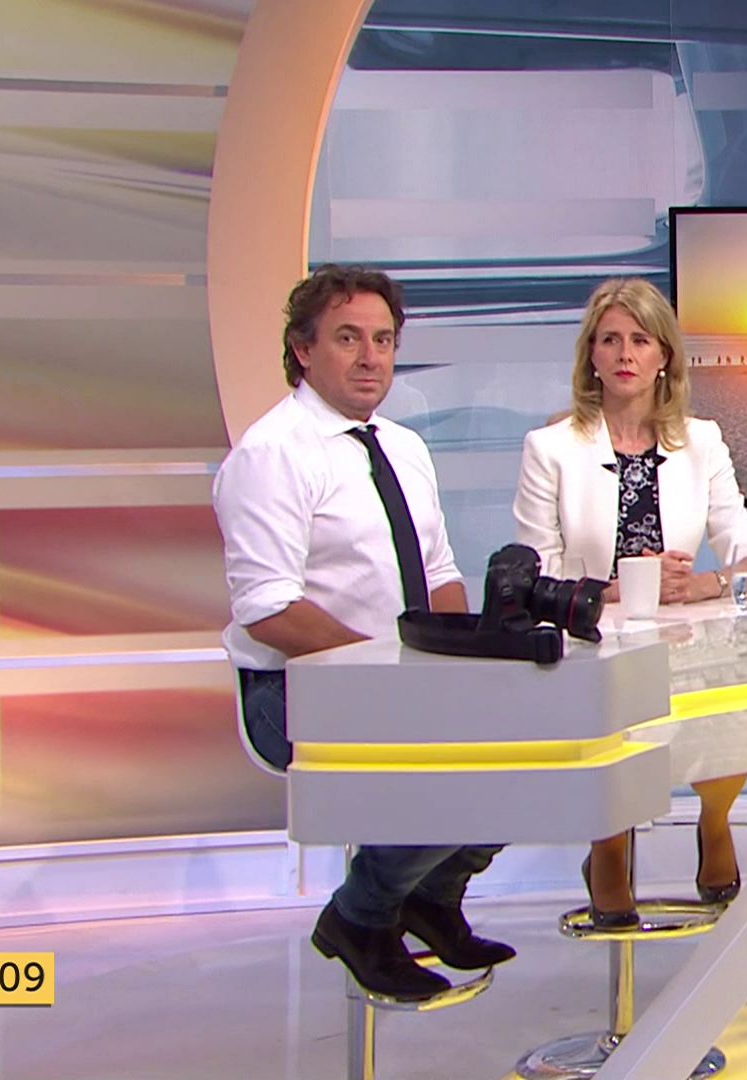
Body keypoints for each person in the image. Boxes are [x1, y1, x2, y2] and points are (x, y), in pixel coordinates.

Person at [214, 265, 515, 1002]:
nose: (370, 357)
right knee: (451, 770)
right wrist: (391, 678)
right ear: (303, 349)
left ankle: (432, 899)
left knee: (531, 754)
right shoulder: (272, 453)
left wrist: (463, 669)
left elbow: (439, 573)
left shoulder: (402, 447)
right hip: (296, 692)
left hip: (400, 678)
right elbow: (269, 608)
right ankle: (361, 916)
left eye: (383, 340)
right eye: (348, 338)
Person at [512, 277, 747, 926]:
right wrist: (616, 591)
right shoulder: (551, 448)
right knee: (611, 716)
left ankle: (715, 820)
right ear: (591, 356)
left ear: (664, 357)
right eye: (610, 340)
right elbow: (532, 573)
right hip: (594, 638)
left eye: (641, 340)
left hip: (686, 634)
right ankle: (609, 845)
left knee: (732, 698)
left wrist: (708, 584)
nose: (625, 353)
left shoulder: (702, 441)